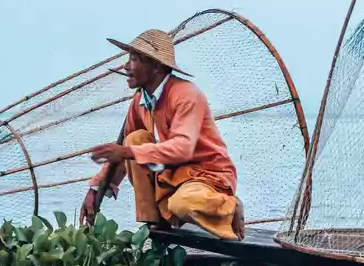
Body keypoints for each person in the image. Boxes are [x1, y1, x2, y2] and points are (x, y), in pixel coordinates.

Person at [80, 29, 245, 240]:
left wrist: (126, 151)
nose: (126, 66)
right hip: (174, 177)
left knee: (182, 204)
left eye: (134, 59)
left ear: (156, 66)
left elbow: (182, 149)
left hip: (207, 177)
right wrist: (95, 189)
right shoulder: (140, 101)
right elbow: (122, 152)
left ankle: (229, 206)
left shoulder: (186, 95)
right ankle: (154, 222)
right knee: (135, 139)